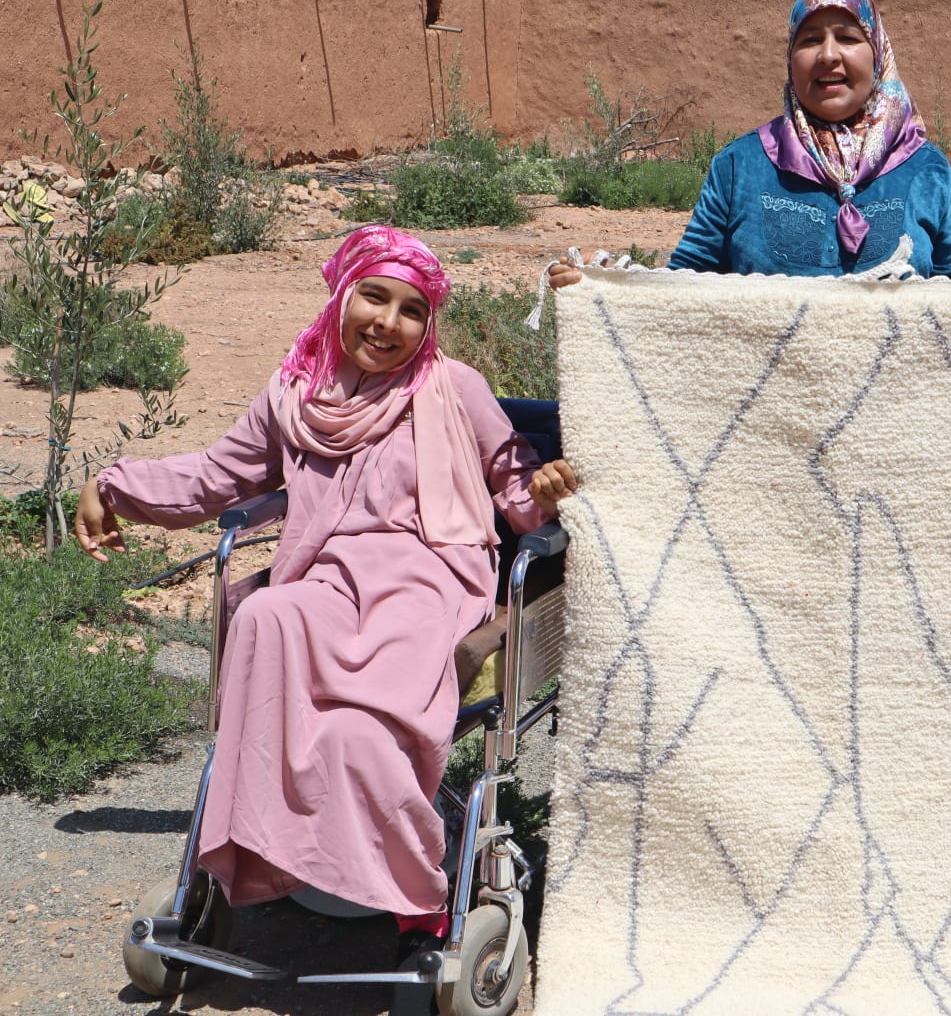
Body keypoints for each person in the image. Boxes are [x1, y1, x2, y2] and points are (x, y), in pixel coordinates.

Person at [73, 225, 576, 965]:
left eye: (412, 310)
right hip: (326, 578)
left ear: (429, 323)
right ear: (342, 296)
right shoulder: (295, 393)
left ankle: (416, 901)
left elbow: (517, 490)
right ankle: (262, 857)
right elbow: (217, 476)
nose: (389, 322)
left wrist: (546, 492)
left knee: (359, 735)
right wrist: (112, 485)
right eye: (374, 296)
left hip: (427, 579)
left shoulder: (455, 387)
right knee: (264, 611)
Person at [549, 0, 951, 286]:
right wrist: (608, 288)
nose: (828, 55)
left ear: (878, 56)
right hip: (765, 422)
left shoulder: (924, 167)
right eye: (809, 40)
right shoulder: (741, 164)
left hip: (890, 425)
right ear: (790, 59)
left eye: (848, 38)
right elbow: (683, 288)